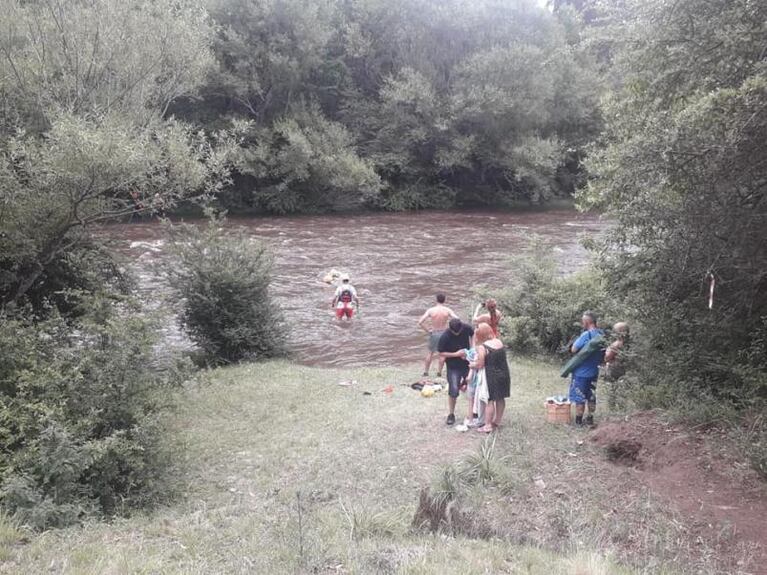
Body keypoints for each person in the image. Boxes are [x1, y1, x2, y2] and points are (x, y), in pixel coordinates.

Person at [470, 323, 510, 433]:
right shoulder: (499, 342)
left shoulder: (482, 348)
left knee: (490, 400)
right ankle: (497, 421)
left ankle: (487, 426)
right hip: (504, 373)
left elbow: (480, 364)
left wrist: (472, 364)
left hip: (491, 376)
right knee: (500, 398)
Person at [569, 311, 605, 426]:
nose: (581, 322)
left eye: (583, 320)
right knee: (591, 396)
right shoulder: (601, 334)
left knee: (579, 397)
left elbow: (573, 349)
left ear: (588, 321)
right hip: (594, 371)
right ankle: (590, 419)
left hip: (581, 373)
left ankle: (579, 422)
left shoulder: (586, 335)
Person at [438, 318, 474, 426]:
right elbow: (441, 353)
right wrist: (456, 354)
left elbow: (474, 334)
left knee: (473, 387)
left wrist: (472, 349)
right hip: (453, 366)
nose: (457, 334)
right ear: (450, 329)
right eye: (455, 332)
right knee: (453, 390)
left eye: (459, 331)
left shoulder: (466, 327)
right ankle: (451, 414)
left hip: (468, 363)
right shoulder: (445, 336)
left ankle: (474, 412)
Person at [417, 293, 458, 377]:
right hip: (444, 333)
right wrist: (451, 329)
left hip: (434, 332)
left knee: (430, 353)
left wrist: (428, 330)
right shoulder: (447, 310)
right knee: (442, 353)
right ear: (444, 300)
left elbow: (420, 322)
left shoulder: (431, 310)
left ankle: (426, 372)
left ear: (436, 300)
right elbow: (457, 319)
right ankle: (439, 372)